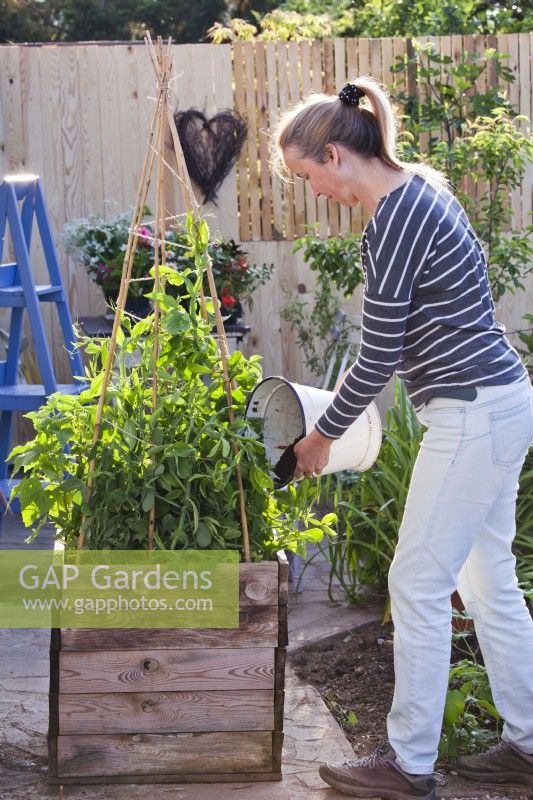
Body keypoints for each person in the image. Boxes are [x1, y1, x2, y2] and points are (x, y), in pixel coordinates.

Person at [272, 77, 533, 799]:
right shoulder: (420, 190)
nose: (313, 191)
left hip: (471, 412)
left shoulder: (396, 217)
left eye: (307, 176)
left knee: (417, 584)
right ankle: (528, 744)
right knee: (489, 582)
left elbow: (377, 356)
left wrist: (319, 437)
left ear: (333, 153)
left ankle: (406, 764)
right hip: (499, 401)